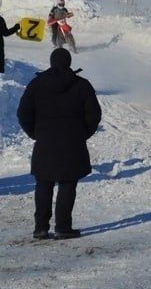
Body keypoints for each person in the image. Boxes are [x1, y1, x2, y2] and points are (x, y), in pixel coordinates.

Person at [17, 48, 102, 239]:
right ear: (69, 63)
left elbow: (23, 113)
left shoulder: (36, 84)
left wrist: (35, 133)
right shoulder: (82, 85)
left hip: (45, 142)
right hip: (72, 143)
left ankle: (40, 228)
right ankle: (63, 228)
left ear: (51, 62)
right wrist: (82, 134)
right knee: (67, 183)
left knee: (43, 182)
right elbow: (94, 114)